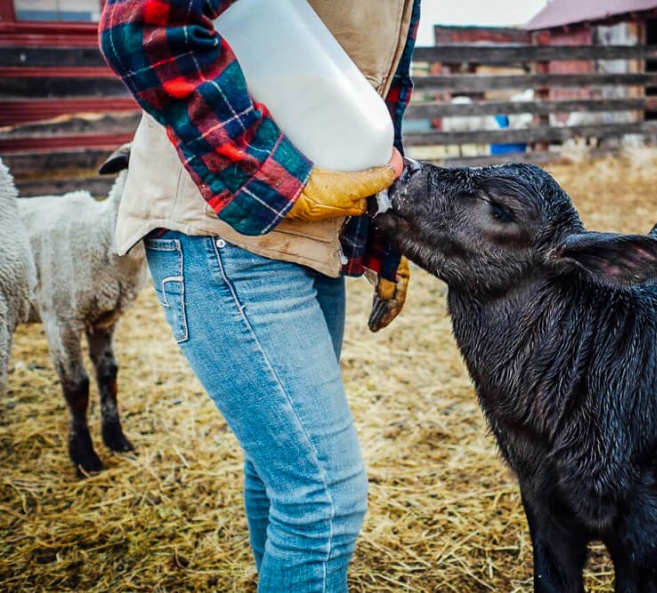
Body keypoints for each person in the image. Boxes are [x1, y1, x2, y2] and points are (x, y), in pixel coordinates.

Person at [98, 1, 421, 591]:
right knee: (323, 498)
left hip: (314, 230)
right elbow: (144, 26)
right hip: (227, 230)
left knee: (286, 474)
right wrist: (273, 180)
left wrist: (381, 235)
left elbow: (366, 92)